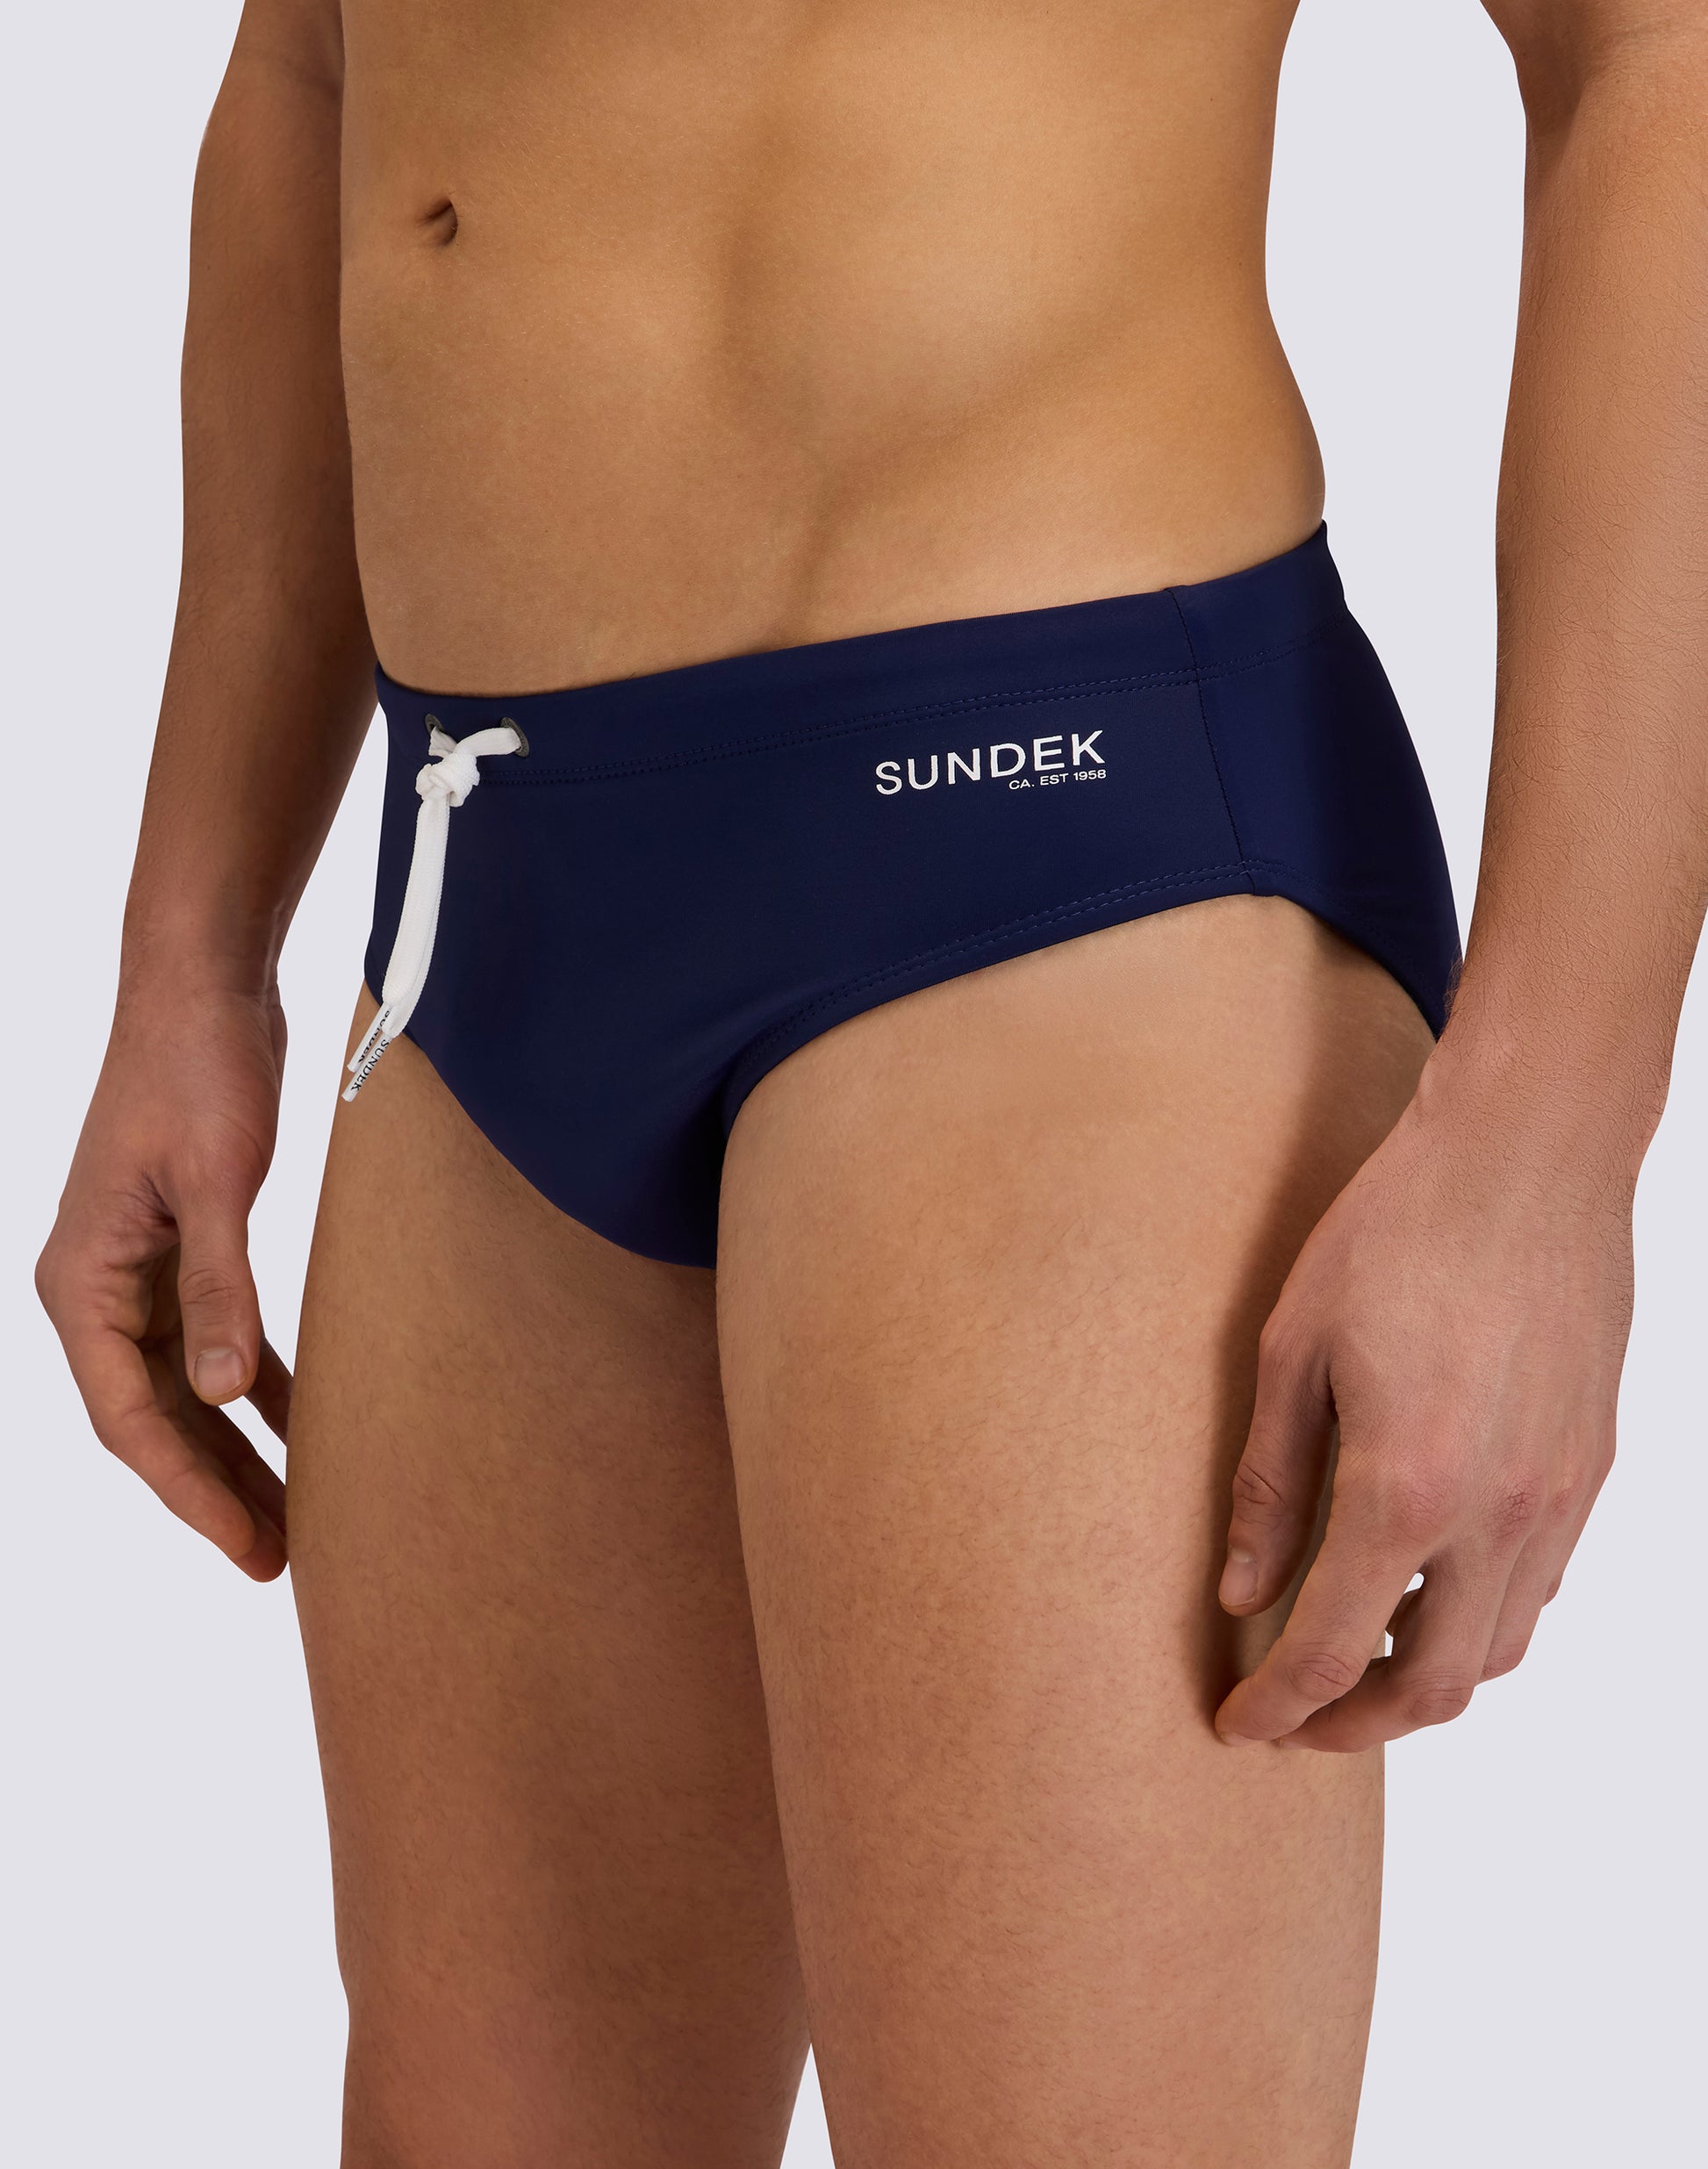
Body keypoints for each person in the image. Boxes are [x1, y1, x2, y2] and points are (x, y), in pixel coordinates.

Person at [33, 0, 1707, 2161]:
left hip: (1051, 866)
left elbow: (1651, 63)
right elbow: (312, 66)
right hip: (490, 897)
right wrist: (191, 953)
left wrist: (1549, 1150)